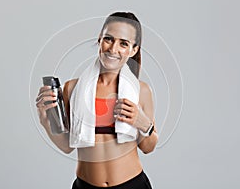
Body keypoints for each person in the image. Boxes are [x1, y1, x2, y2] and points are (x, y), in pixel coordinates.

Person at [36, 11, 158, 189]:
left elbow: (148, 147)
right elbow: (67, 146)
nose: (113, 49)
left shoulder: (141, 91)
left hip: (132, 185)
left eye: (123, 43)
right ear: (100, 39)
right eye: (109, 39)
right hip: (85, 185)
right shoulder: (72, 88)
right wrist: (44, 121)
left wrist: (143, 123)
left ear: (134, 50)